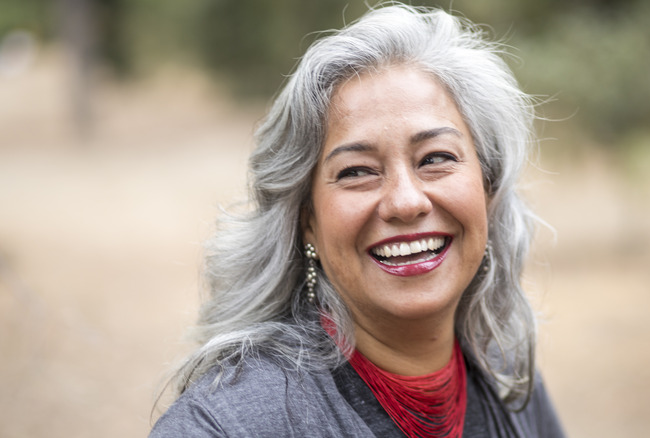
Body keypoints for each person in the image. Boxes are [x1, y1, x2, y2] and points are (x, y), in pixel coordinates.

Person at [150, 4, 565, 437]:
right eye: (357, 171)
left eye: (436, 158)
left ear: (489, 190)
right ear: (305, 220)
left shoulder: (511, 384)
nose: (405, 202)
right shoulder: (228, 424)